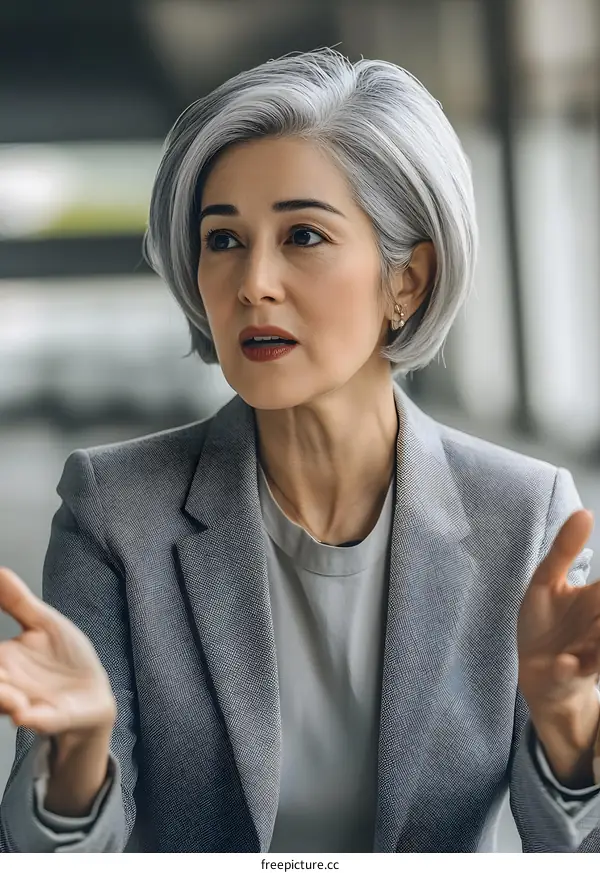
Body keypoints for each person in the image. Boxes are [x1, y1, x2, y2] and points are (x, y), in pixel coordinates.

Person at [1, 47, 600, 854]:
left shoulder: (527, 519)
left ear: (408, 281)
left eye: (304, 235)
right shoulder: (114, 509)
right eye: (223, 240)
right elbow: (51, 859)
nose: (253, 282)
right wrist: (76, 763)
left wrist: (568, 741)